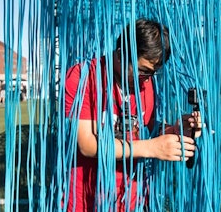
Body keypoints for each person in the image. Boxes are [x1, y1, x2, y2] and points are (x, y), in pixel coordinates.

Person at [64, 18, 202, 211]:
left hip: (132, 198)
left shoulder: (146, 82)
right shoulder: (83, 76)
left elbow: (149, 126)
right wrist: (151, 148)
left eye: (152, 73)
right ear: (121, 55)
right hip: (87, 199)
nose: (145, 80)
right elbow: (86, 144)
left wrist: (175, 129)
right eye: (143, 71)